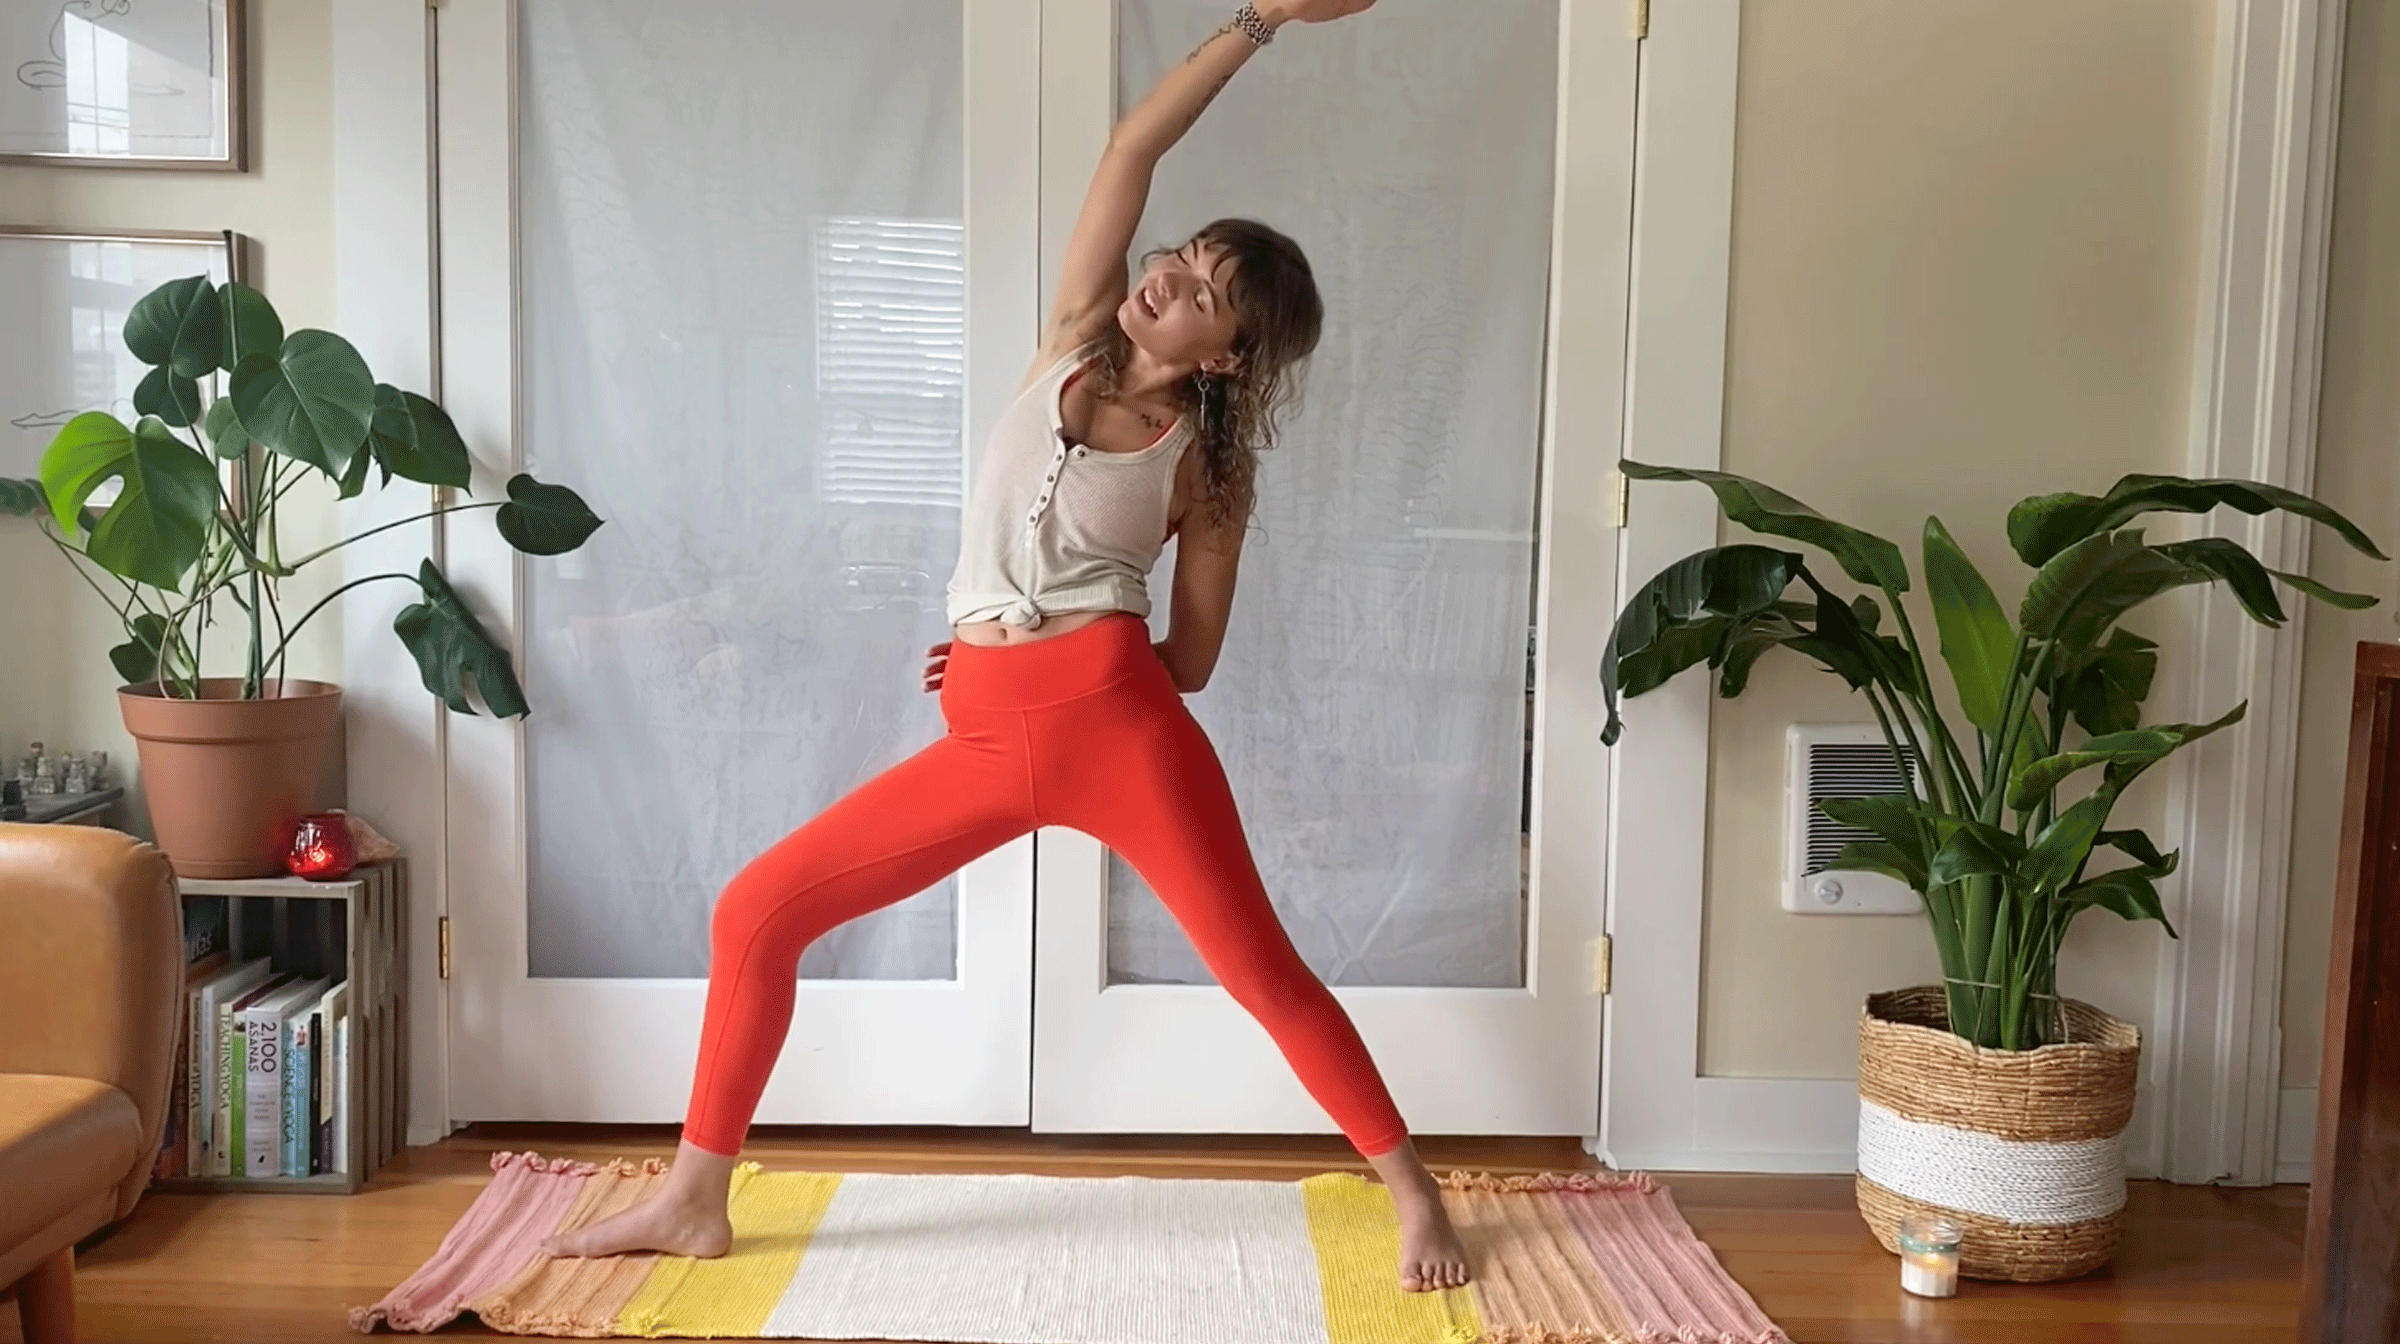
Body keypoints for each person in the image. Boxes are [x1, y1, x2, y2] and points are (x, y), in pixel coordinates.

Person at [543, 0, 1472, 1294]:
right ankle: (694, 1199)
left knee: (1262, 972)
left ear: (1228, 357)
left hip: (1118, 733)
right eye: (1182, 257)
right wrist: (1261, 17)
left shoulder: (1207, 471)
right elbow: (1131, 150)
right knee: (755, 910)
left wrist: (1065, 655)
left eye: (1205, 294)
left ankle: (1417, 1195)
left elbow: (1193, 661)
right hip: (982, 732)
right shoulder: (1071, 342)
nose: (1168, 279)